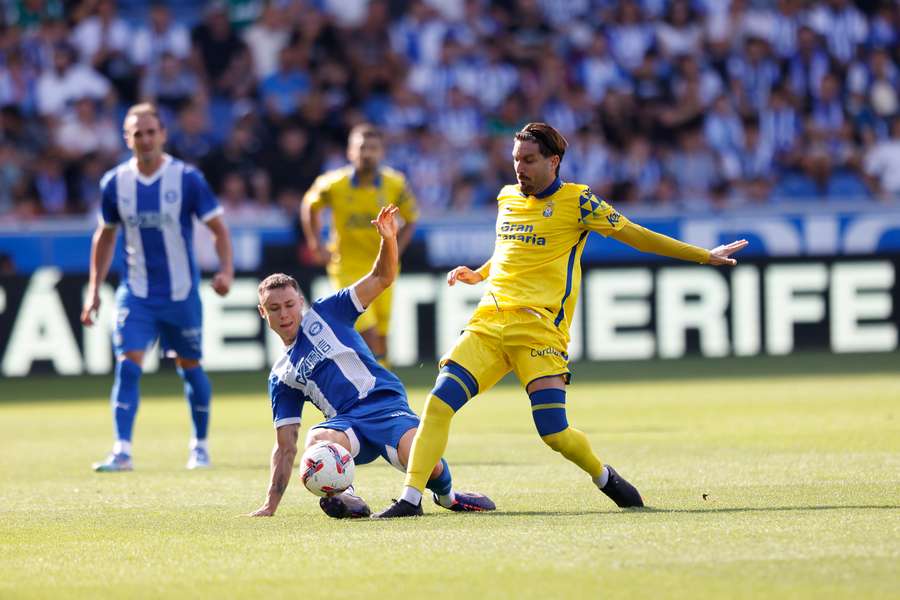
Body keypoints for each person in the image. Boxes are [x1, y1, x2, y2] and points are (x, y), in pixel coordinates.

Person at [373, 123, 748, 518]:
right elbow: (509, 250)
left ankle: (602, 475)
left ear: (553, 161)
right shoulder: (506, 198)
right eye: (516, 159)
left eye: (529, 160)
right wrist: (479, 274)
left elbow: (637, 235)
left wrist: (703, 256)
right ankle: (410, 498)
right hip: (489, 321)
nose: (520, 167)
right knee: (438, 403)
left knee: (553, 431)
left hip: (538, 328)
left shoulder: (579, 201)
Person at [249, 205, 494, 519]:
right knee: (317, 440)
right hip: (347, 424)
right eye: (274, 308)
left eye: (289, 305)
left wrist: (388, 239)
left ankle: (448, 497)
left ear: (301, 302)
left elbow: (382, 277)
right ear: (262, 313)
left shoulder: (327, 312)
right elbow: (285, 446)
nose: (283, 315)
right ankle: (346, 497)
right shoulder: (282, 376)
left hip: (386, 406)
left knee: (424, 461)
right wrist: (270, 504)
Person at [81, 103, 234, 472]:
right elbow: (104, 238)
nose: (145, 139)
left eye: (151, 132)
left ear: (163, 134)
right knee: (128, 364)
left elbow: (218, 230)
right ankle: (122, 449)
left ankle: (199, 445)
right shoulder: (115, 183)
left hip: (181, 293)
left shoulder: (187, 179)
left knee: (190, 367)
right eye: (137, 133)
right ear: (127, 138)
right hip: (137, 293)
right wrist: (94, 290)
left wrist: (226, 270)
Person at [300, 124, 418, 365]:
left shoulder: (395, 184)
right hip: (347, 268)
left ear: (382, 152)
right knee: (368, 331)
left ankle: (384, 384)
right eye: (362, 148)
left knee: (382, 333)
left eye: (373, 148)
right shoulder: (333, 184)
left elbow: (412, 218)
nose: (367, 153)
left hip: (384, 268)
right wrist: (315, 243)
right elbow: (309, 206)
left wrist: (395, 251)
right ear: (350, 152)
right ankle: (378, 386)